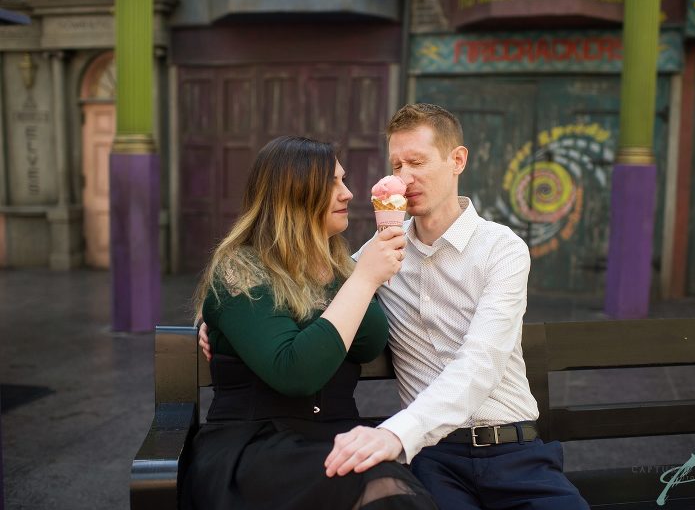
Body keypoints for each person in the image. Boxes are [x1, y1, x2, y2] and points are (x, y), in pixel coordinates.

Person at [200, 106, 589, 509]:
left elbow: (481, 362)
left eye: (417, 162)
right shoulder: (376, 257)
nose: (404, 178)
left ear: (457, 160)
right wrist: (217, 319)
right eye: (397, 165)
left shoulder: (501, 249)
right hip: (432, 454)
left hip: (514, 449)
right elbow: (292, 290)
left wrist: (396, 433)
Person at [182, 135, 437, 510]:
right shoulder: (241, 268)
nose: (348, 193)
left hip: (338, 436)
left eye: (343, 180)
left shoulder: (340, 266)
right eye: (332, 183)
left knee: (395, 491)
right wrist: (364, 280)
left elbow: (368, 342)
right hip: (258, 446)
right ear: (294, 193)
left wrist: (357, 278)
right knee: (384, 491)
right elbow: (295, 372)